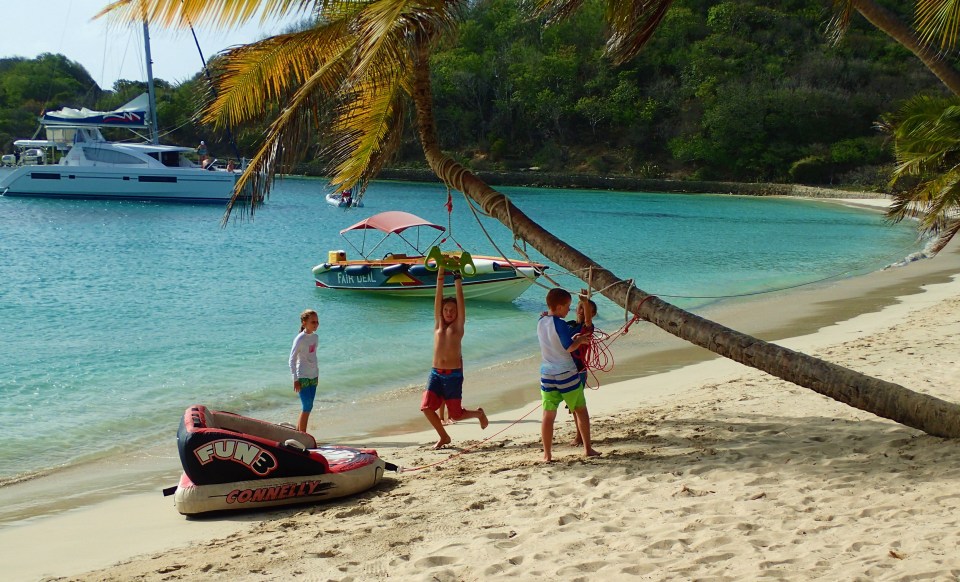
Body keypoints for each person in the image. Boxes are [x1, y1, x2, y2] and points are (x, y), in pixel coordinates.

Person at [420, 263, 488, 448]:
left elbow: (460, 300)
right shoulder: (438, 326)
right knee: (426, 408)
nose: (449, 313)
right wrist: (441, 272)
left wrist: (457, 277)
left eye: (453, 310)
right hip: (435, 373)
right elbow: (438, 296)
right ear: (441, 312)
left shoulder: (458, 327)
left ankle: (479, 414)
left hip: (453, 376)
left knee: (456, 416)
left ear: (458, 313)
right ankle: (444, 437)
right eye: (446, 310)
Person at [538, 288, 600, 462]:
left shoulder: (541, 321)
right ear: (558, 307)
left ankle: (547, 455)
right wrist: (579, 340)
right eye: (567, 306)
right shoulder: (561, 324)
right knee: (581, 410)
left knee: (548, 415)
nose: (568, 310)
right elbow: (568, 346)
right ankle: (588, 449)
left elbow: (586, 321)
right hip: (566, 373)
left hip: (547, 374)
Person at [567, 296, 597, 447]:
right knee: (572, 406)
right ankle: (579, 435)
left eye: (586, 310)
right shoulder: (569, 325)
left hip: (579, 370)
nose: (582, 311)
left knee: (577, 406)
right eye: (579, 308)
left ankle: (579, 436)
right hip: (566, 369)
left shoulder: (588, 329)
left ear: (592, 314)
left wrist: (586, 303)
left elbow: (588, 322)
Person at [289, 309, 320, 433]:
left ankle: (298, 432)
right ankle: (303, 435)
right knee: (306, 406)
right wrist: (295, 379)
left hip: (313, 376)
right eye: (313, 322)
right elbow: (291, 360)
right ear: (304, 323)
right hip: (302, 376)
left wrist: (317, 373)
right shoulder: (300, 339)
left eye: (317, 322)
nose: (316, 324)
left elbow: (313, 357)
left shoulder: (315, 337)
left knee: (309, 407)